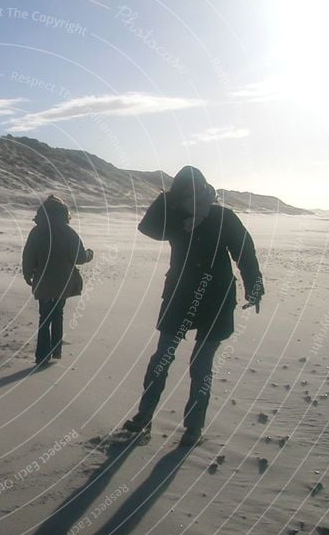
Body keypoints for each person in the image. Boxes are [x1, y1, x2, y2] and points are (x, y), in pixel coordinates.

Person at [123, 166, 264, 446]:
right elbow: (147, 228)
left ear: (202, 189)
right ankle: (144, 417)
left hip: (216, 299)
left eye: (190, 189)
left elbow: (244, 251)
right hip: (180, 294)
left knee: (200, 366)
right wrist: (167, 199)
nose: (187, 195)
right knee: (161, 359)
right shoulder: (175, 217)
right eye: (181, 190)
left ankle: (193, 428)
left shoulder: (221, 216)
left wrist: (255, 287)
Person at [22, 195, 94, 367]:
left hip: (43, 282)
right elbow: (80, 257)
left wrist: (27, 274)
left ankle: (42, 356)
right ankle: (56, 351)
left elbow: (28, 256)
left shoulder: (36, 232)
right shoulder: (69, 232)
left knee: (44, 317)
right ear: (63, 213)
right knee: (58, 314)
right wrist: (90, 254)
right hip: (63, 283)